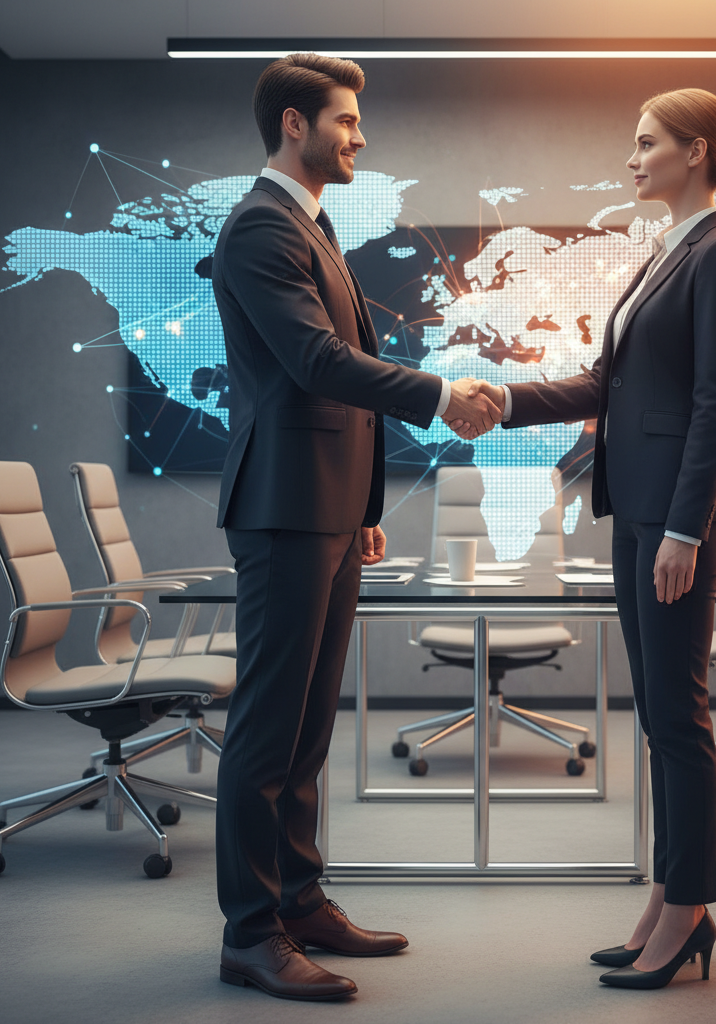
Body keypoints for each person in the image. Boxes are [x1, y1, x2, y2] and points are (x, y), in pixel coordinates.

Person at [211, 52, 500, 1002]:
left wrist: (366, 506)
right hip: (286, 510)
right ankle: (251, 935)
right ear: (294, 125)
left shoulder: (311, 225)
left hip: (329, 509)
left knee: (305, 731)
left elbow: (341, 379)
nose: (359, 136)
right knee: (266, 731)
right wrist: (441, 393)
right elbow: (314, 362)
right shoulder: (260, 225)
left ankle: (300, 898)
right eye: (344, 120)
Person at [461, 88, 716, 990]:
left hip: (674, 521)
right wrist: (504, 401)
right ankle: (670, 900)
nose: (631, 159)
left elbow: (715, 404)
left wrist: (681, 528)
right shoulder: (663, 252)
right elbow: (606, 383)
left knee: (679, 718)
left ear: (697, 151)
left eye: (646, 143)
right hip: (634, 511)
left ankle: (689, 912)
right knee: (661, 719)